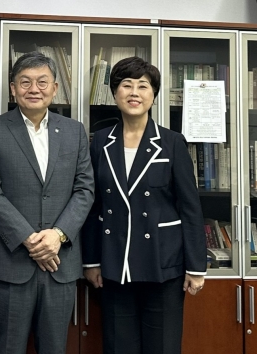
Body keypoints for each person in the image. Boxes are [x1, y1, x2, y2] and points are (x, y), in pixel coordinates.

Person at [82, 56, 207, 354]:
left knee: (162, 346)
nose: (134, 93)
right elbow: (92, 205)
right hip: (115, 263)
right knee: (118, 346)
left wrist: (196, 267)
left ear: (153, 95)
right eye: (126, 85)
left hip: (162, 263)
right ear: (115, 93)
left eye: (143, 86)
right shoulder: (100, 142)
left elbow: (190, 208)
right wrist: (91, 261)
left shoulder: (172, 142)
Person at [0, 51, 94, 354]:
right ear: (13, 88)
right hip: (12, 261)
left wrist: (57, 235)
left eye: (42, 82)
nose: (34, 89)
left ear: (55, 88)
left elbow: (85, 189)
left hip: (61, 261)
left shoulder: (75, 131)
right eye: (25, 82)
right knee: (8, 348)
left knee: (54, 348)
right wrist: (29, 239)